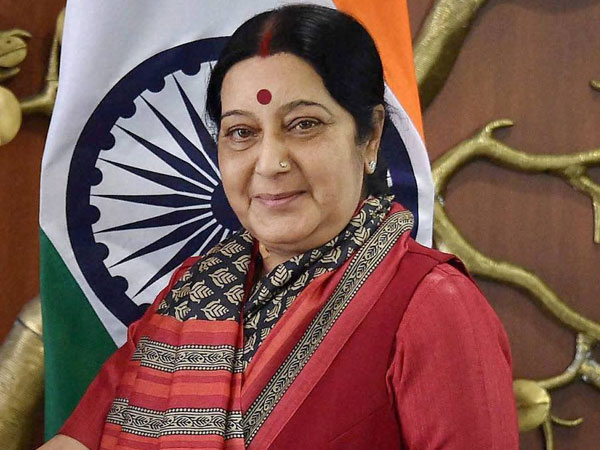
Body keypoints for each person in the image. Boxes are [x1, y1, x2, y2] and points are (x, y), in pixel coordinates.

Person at [39, 4, 518, 449]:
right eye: (241, 132)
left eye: (304, 124)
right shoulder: (193, 294)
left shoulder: (432, 303)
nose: (270, 163)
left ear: (370, 136)